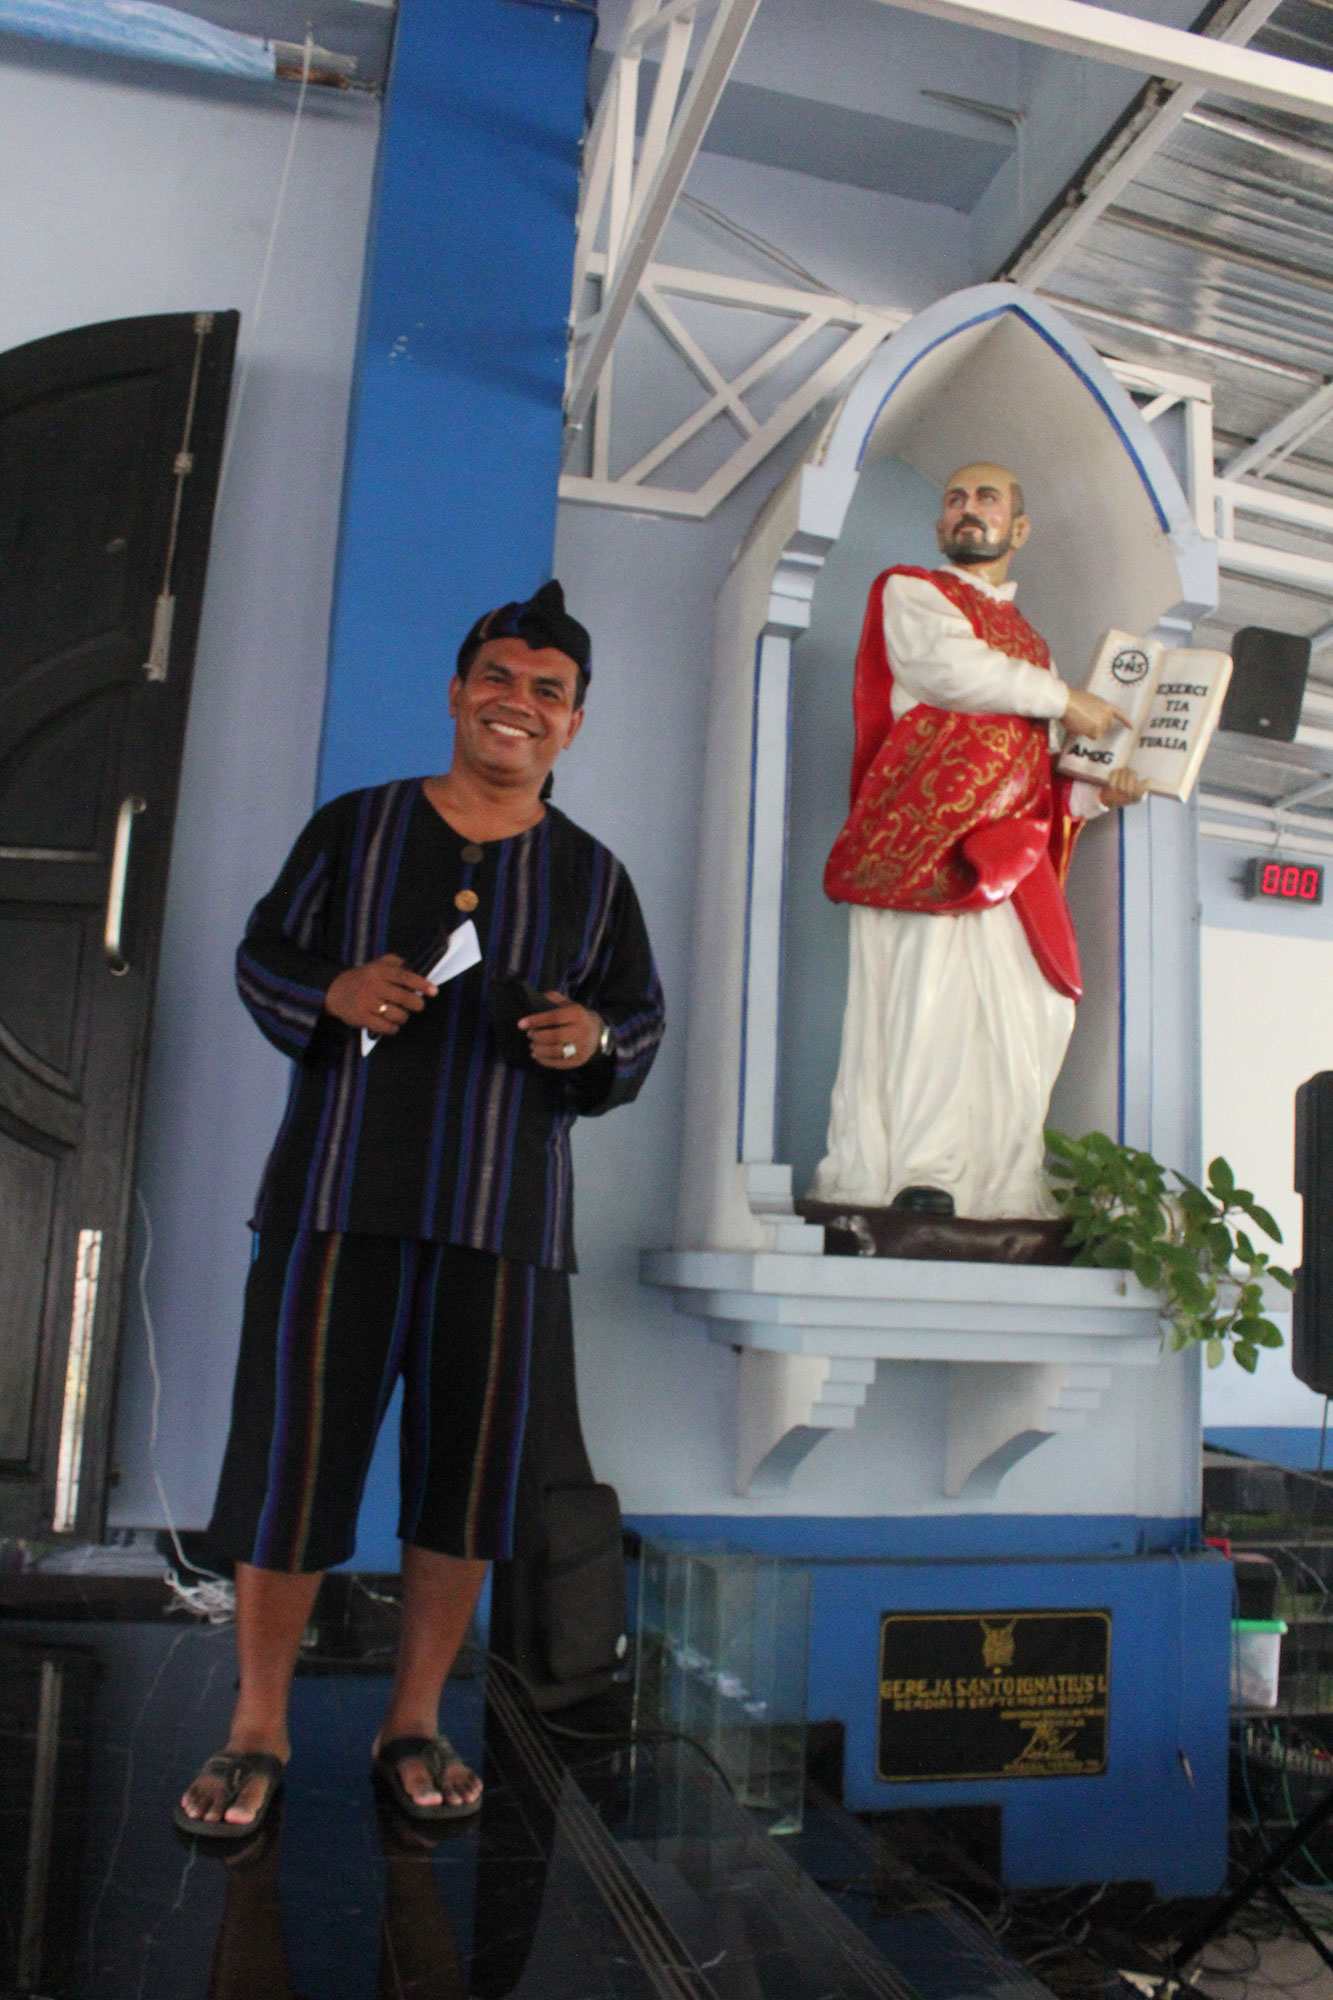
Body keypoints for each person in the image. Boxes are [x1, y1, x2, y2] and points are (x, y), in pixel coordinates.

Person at [177, 580, 664, 1838]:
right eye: (498, 677)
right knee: (291, 1463)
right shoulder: (358, 827)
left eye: (547, 690)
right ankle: (258, 1721)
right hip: (335, 1201)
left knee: (467, 1484)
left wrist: (592, 1038)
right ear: (456, 692)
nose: (518, 702)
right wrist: (331, 992)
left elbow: (638, 1024)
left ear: (574, 722)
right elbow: (263, 953)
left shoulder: (594, 878)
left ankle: (414, 1718)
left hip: (502, 1221)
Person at [811, 463, 1143, 1221]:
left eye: (986, 499)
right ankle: (920, 1174)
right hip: (925, 843)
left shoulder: (1032, 644)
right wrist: (1064, 700)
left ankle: (1002, 1177)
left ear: (1017, 529)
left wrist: (1099, 791)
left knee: (1031, 1011)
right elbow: (951, 672)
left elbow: (1045, 770)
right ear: (939, 524)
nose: (968, 509)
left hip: (1009, 850)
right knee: (926, 1006)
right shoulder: (913, 593)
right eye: (955, 499)